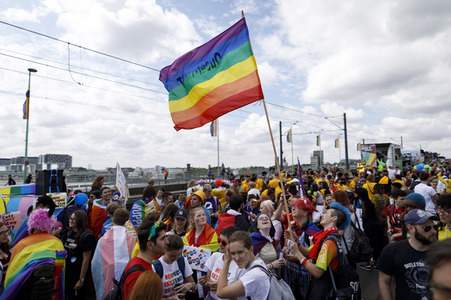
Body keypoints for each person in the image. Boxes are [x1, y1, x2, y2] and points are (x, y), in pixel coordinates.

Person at [288, 202, 351, 300]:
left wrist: (297, 253)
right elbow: (310, 254)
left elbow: (317, 272)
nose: (321, 215)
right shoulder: (327, 237)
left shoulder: (329, 242)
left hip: (324, 290)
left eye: (326, 213)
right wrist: (297, 242)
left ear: (334, 218)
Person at [3, 209, 66, 300]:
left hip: (27, 292)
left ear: (31, 225)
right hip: (51, 292)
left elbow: (12, 273)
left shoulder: (21, 244)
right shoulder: (57, 242)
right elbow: (62, 270)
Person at [377, 209, 439, 300]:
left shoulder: (442, 252)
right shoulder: (392, 251)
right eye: (427, 228)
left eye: (434, 227)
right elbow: (384, 281)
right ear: (411, 228)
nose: (433, 231)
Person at [92, 208, 136, 299]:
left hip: (108, 276)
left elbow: (95, 263)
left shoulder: (103, 239)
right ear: (126, 221)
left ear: (112, 220)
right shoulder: (130, 237)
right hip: (125, 276)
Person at [216, 231, 270, 300]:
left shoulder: (254, 275)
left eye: (240, 252)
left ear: (251, 249)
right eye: (233, 253)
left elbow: (220, 293)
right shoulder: (257, 263)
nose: (237, 258)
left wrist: (227, 261)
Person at [122, 221, 168, 300]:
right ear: (150, 245)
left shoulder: (142, 263)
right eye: (163, 238)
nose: (167, 242)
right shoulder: (138, 274)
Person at [199, 226, 240, 300]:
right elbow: (208, 283)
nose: (220, 244)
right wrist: (205, 283)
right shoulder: (215, 256)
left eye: (224, 243)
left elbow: (239, 296)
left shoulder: (240, 265)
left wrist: (222, 288)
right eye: (219, 240)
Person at [63, 210, 96, 299]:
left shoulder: (86, 236)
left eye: (74, 219)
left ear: (80, 221)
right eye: (70, 218)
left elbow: (86, 259)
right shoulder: (68, 234)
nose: (70, 221)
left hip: (78, 275)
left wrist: (81, 280)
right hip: (68, 274)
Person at [152, 235, 195, 299]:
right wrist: (170, 299)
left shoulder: (182, 261)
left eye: (178, 255)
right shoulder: (155, 267)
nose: (176, 259)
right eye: (172, 256)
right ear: (165, 250)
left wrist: (190, 285)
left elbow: (193, 283)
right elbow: (152, 297)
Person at [0, 222, 11, 292]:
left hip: (10, 287)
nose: (6, 234)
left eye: (7, 231)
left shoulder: (9, 249)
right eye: (2, 233)